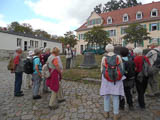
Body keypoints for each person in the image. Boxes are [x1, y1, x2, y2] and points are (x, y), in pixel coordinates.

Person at [100, 44, 125, 120]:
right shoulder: (118, 57)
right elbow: (122, 68)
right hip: (116, 79)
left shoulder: (104, 58)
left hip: (106, 78)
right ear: (113, 49)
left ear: (106, 49)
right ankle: (115, 115)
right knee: (116, 96)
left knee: (106, 96)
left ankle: (106, 113)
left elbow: (101, 69)